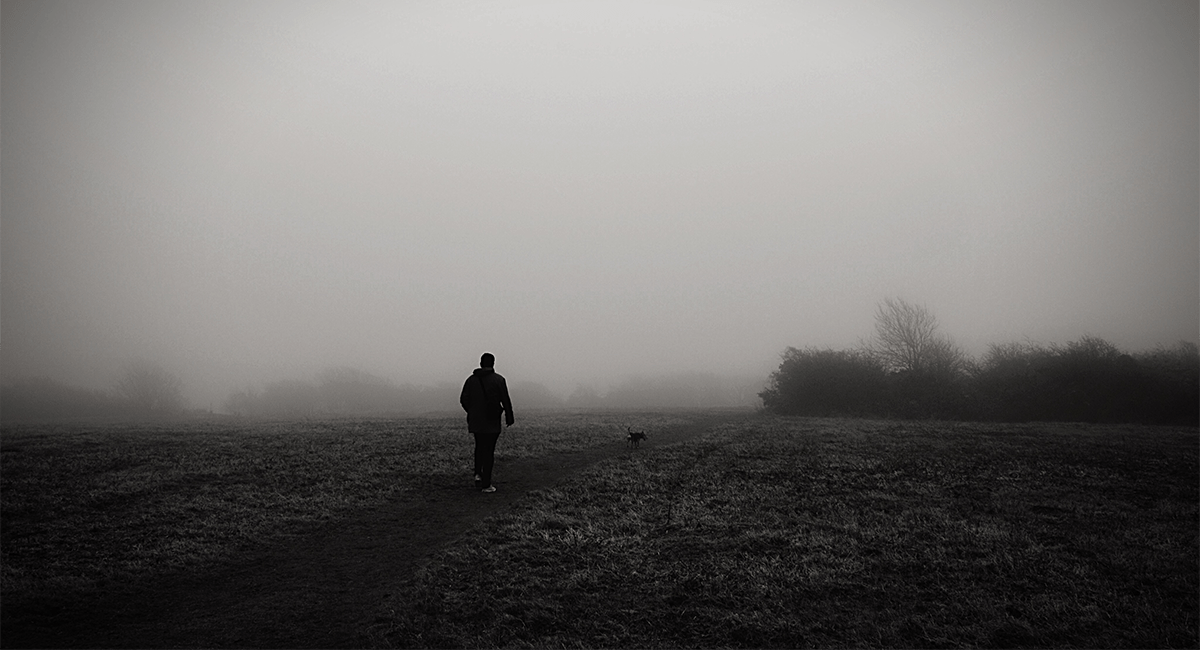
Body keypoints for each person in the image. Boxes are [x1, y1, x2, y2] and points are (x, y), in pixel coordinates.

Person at [459, 352, 514, 493]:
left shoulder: (470, 380)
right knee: (489, 450)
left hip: (476, 421)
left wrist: (472, 412)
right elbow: (505, 399)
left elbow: (463, 399)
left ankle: (477, 474)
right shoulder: (499, 380)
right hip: (492, 421)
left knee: (479, 447)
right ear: (493, 363)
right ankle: (486, 484)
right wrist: (509, 415)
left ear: (480, 363)